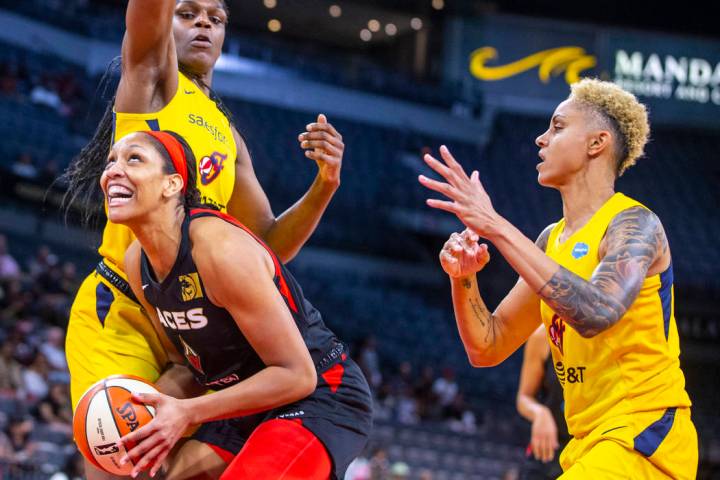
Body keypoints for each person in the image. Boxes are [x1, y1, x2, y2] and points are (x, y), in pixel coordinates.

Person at [63, 1, 345, 477]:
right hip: (125, 308)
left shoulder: (225, 133)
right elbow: (145, 18)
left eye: (215, 19)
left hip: (197, 323)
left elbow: (268, 247)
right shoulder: (151, 84)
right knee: (122, 460)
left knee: (196, 468)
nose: (203, 25)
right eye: (188, 13)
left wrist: (324, 185)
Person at [418, 78, 697, 478]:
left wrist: (494, 225)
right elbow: (487, 346)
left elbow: (596, 310)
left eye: (558, 127)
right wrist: (463, 279)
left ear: (596, 143)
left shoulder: (636, 224)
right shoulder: (550, 242)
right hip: (588, 444)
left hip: (644, 435)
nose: (540, 138)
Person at [101, 130, 371, 479]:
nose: (112, 171)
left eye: (133, 158)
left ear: (172, 184)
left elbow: (297, 376)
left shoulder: (220, 249)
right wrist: (131, 410)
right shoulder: (137, 262)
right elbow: (186, 367)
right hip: (246, 398)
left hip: (320, 393)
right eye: (110, 162)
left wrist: (187, 412)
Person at [516, 325, 568, 479]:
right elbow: (523, 398)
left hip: (594, 444)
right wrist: (539, 412)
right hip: (550, 445)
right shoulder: (542, 336)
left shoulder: (612, 332)